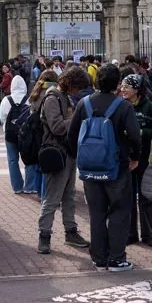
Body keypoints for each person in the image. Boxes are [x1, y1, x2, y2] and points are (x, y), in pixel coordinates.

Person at [65, 64, 140, 272]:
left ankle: (99, 258)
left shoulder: (83, 104)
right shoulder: (123, 106)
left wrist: (80, 156)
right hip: (116, 167)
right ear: (117, 83)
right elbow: (135, 136)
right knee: (119, 212)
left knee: (96, 213)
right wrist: (134, 157)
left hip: (91, 168)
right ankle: (117, 258)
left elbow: (72, 136)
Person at [36, 66, 92, 254]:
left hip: (68, 152)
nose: (78, 92)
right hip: (57, 152)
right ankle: (44, 235)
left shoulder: (64, 97)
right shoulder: (52, 98)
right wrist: (77, 119)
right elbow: (57, 127)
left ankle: (71, 231)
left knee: (68, 196)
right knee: (52, 198)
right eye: (78, 87)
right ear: (71, 84)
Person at [119, 73, 152, 248]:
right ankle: (131, 233)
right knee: (128, 198)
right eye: (122, 86)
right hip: (127, 159)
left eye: (126, 87)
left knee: (145, 198)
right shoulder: (121, 106)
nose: (123, 90)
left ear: (136, 89)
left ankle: (147, 234)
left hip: (144, 159)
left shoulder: (149, 107)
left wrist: (141, 133)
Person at [1, 74, 39, 194]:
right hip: (25, 134)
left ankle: (17, 187)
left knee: (12, 160)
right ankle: (30, 186)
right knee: (29, 159)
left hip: (10, 134)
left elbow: (2, 118)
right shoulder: (28, 99)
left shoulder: (6, 100)